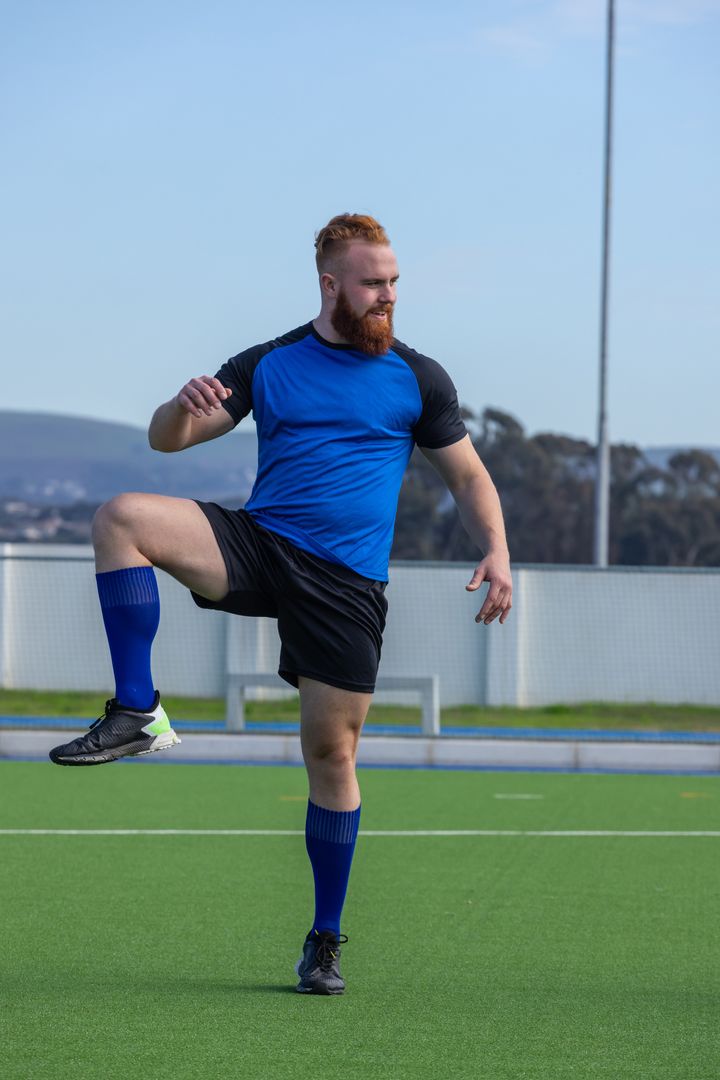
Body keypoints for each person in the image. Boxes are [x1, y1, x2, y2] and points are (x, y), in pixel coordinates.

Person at [49, 213, 513, 994]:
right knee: (122, 517)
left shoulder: (418, 377)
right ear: (331, 284)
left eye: (394, 282)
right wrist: (178, 402)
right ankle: (139, 712)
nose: (387, 296)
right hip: (262, 547)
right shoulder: (269, 363)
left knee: (331, 758)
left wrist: (497, 547)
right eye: (373, 282)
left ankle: (324, 939)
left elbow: (466, 476)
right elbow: (170, 440)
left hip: (346, 585)